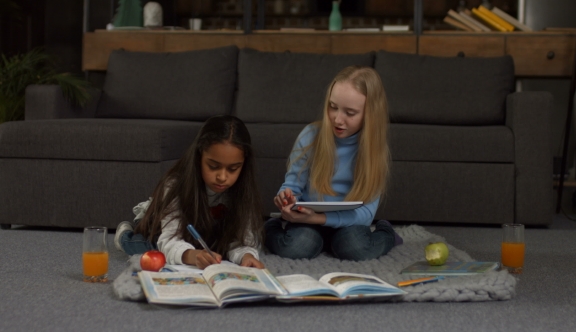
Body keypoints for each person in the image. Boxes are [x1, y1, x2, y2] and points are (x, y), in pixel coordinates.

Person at [264, 65, 403, 261]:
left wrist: (317, 218)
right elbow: (291, 186)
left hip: (347, 223)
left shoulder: (373, 150)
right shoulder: (310, 136)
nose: (338, 119)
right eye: (333, 106)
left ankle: (386, 232)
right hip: (307, 220)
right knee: (297, 246)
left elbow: (365, 214)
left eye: (350, 112)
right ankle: (271, 226)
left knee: (355, 248)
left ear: (370, 114)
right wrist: (286, 198)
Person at [114, 115, 265, 269]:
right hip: (160, 224)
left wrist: (246, 255)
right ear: (199, 156)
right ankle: (124, 236)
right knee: (149, 250)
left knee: (220, 247)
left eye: (233, 169)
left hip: (206, 233)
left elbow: (242, 241)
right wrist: (192, 255)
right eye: (213, 166)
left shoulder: (243, 192)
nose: (222, 177)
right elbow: (169, 240)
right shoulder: (176, 184)